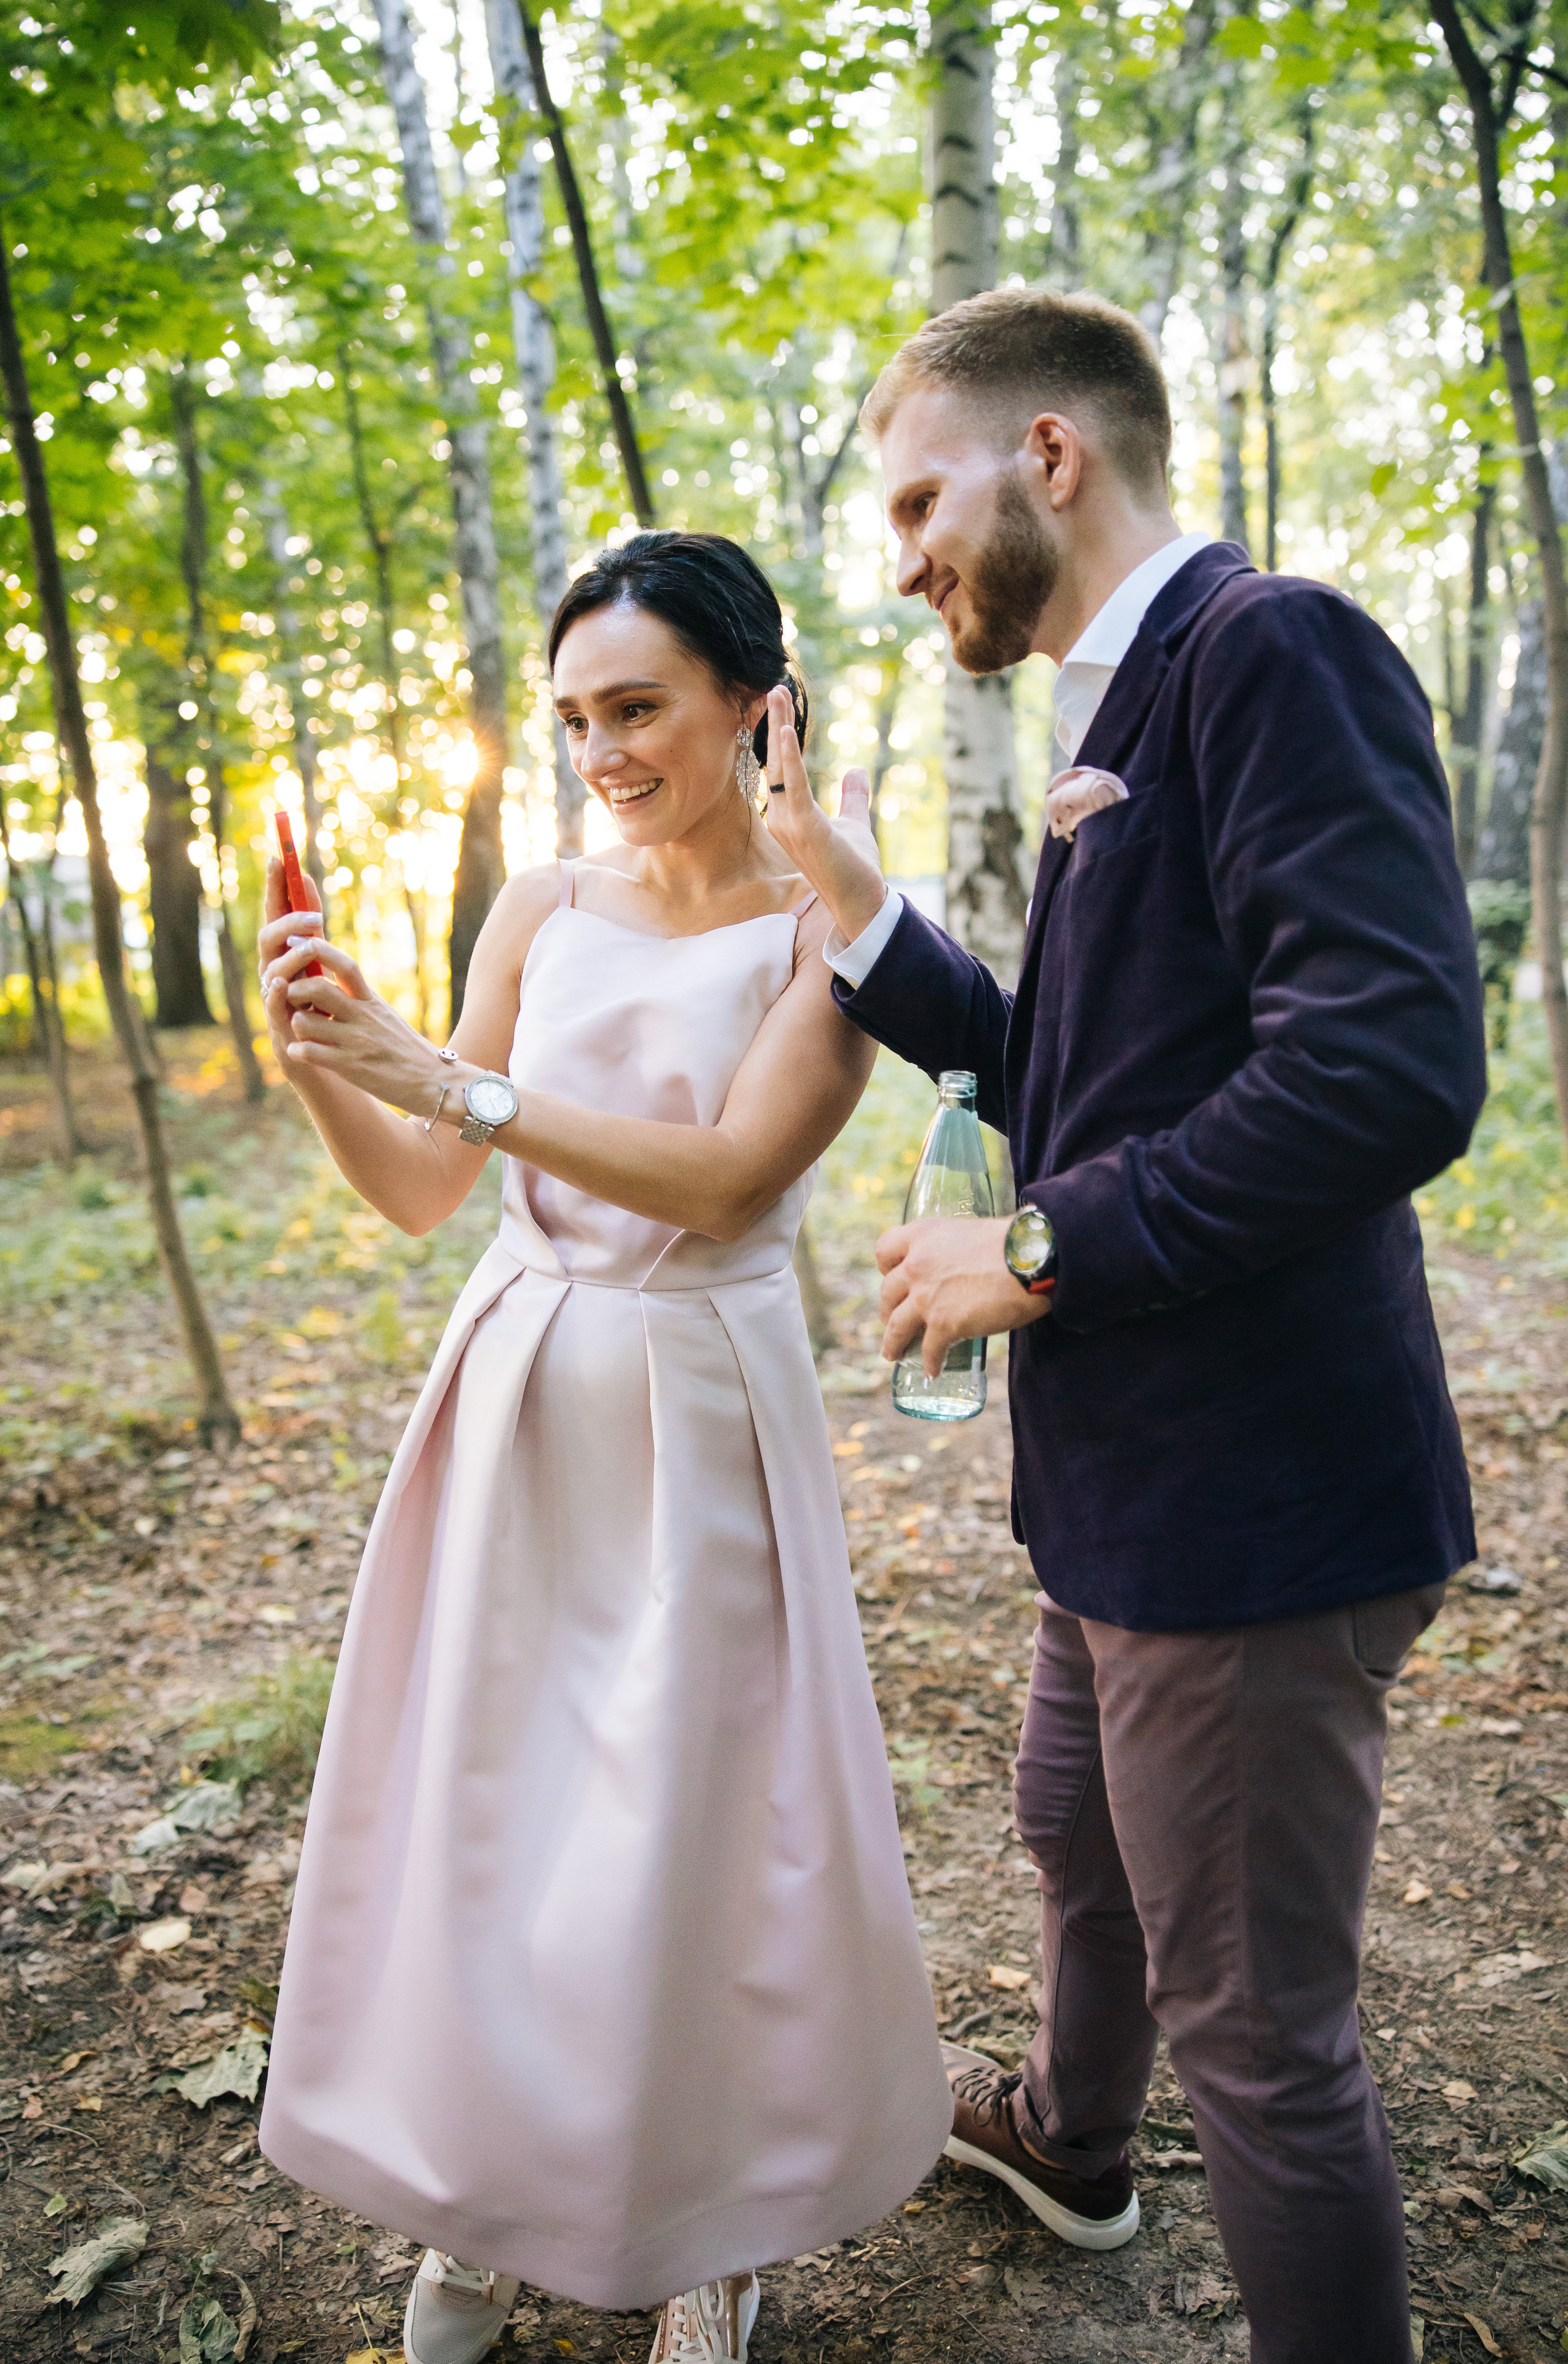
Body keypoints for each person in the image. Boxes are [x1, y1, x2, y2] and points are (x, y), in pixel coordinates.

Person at [765, 288, 1487, 2364]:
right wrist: (852, 900)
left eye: (920, 496)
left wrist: (1044, 1250)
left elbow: (1388, 1069)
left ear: (1050, 457)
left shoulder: (1267, 649)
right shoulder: (1120, 709)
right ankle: (1078, 2140)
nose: (905, 555)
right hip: (1129, 1495)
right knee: (1072, 1831)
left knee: (1258, 2031)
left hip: (1257, 1512)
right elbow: (1084, 1075)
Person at [254, 532, 952, 2364]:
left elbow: (730, 1173)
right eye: (575, 718)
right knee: (497, 1803)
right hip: (513, 1388)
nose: (604, 751)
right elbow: (425, 1194)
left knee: (691, 1827)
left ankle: (710, 2223)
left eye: (638, 707)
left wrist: (452, 1082)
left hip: (704, 1397)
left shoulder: (835, 928)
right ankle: (487, 2192)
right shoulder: (537, 906)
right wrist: (334, 1055)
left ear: (752, 702)